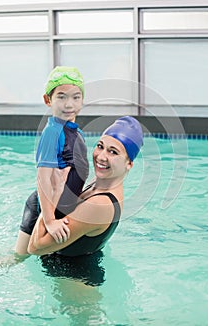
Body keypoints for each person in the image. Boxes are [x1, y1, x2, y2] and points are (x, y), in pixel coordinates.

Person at [27, 116, 143, 284]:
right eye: (100, 146)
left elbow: (35, 247)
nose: (101, 157)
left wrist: (51, 194)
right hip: (71, 271)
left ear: (129, 163)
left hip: (75, 286)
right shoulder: (98, 183)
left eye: (113, 152)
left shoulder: (99, 205)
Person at [15, 66, 89, 256]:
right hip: (42, 208)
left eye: (75, 97)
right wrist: (48, 220)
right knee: (16, 259)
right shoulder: (52, 132)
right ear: (48, 100)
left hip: (56, 206)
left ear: (82, 100)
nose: (68, 104)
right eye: (61, 96)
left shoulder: (74, 130)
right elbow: (43, 179)